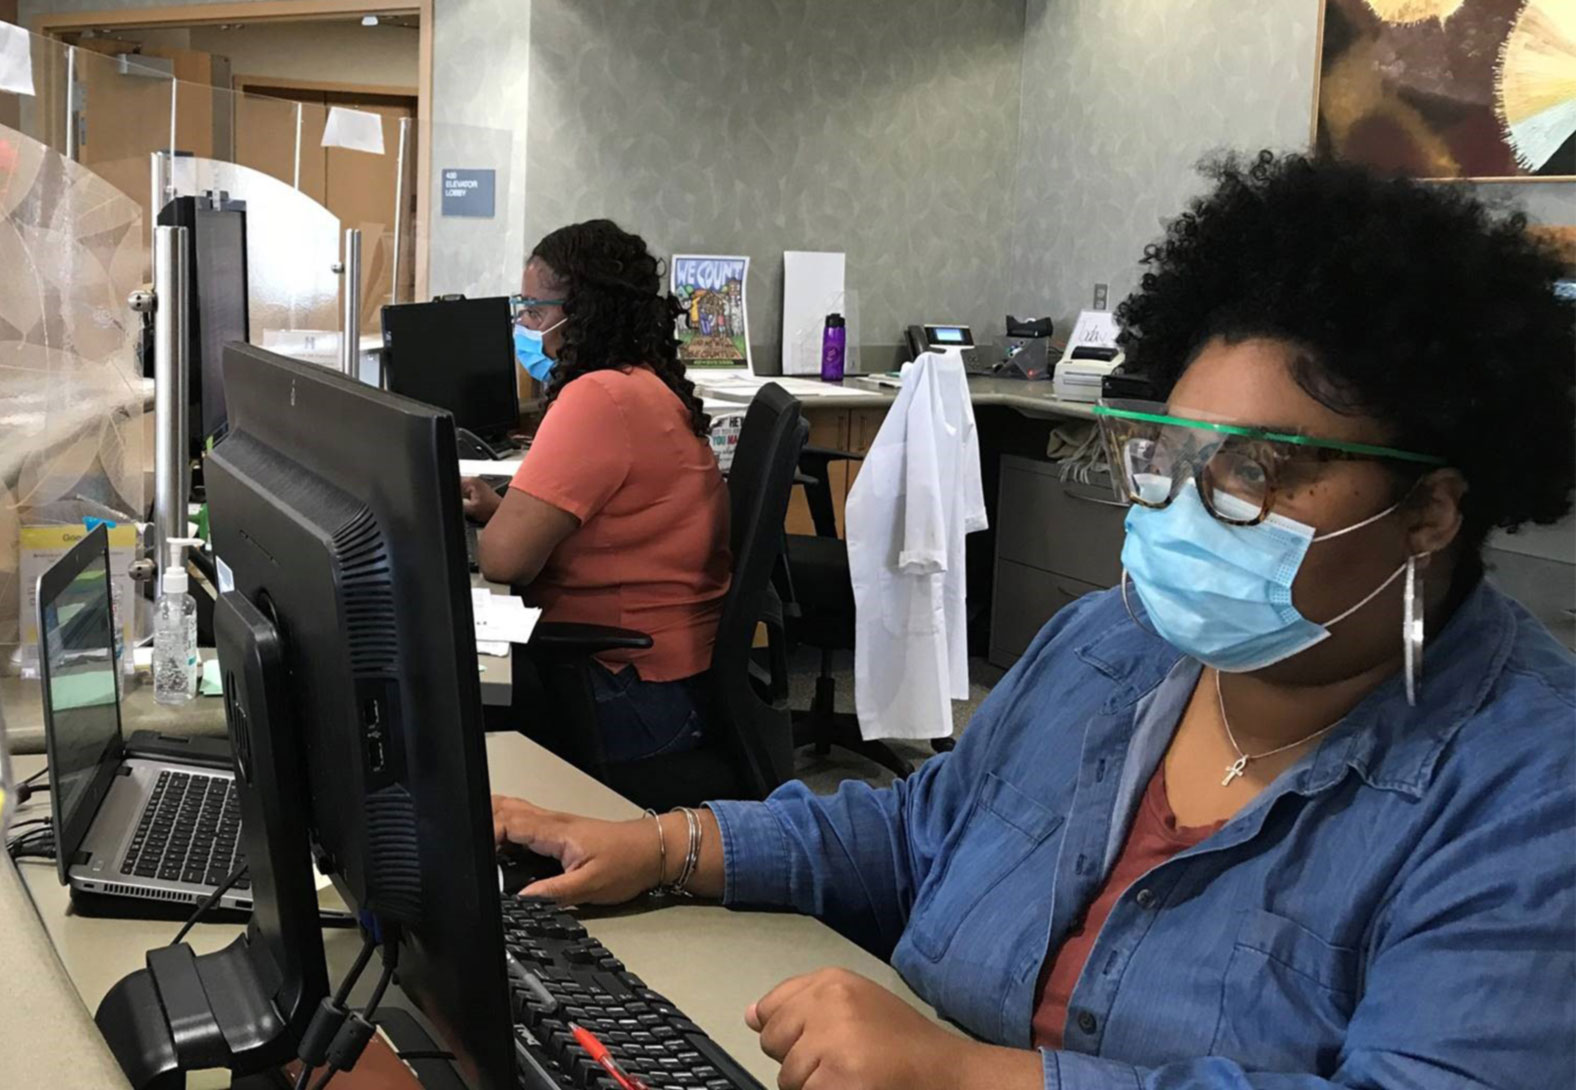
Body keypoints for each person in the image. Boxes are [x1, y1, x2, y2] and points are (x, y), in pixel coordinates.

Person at [492, 152, 1576, 1089]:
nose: (1191, 511)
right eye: (1168, 459)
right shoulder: (1109, 646)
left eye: (1257, 471)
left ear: (1428, 511)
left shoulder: (1527, 791)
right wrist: (662, 845)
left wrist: (967, 1075)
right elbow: (920, 833)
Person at [463, 220, 731, 766]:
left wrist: (499, 526)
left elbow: (502, 560)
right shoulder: (642, 384)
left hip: (633, 694)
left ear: (580, 313)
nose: (524, 325)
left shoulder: (600, 399)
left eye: (534, 311)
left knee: (447, 707)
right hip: (677, 681)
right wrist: (504, 508)